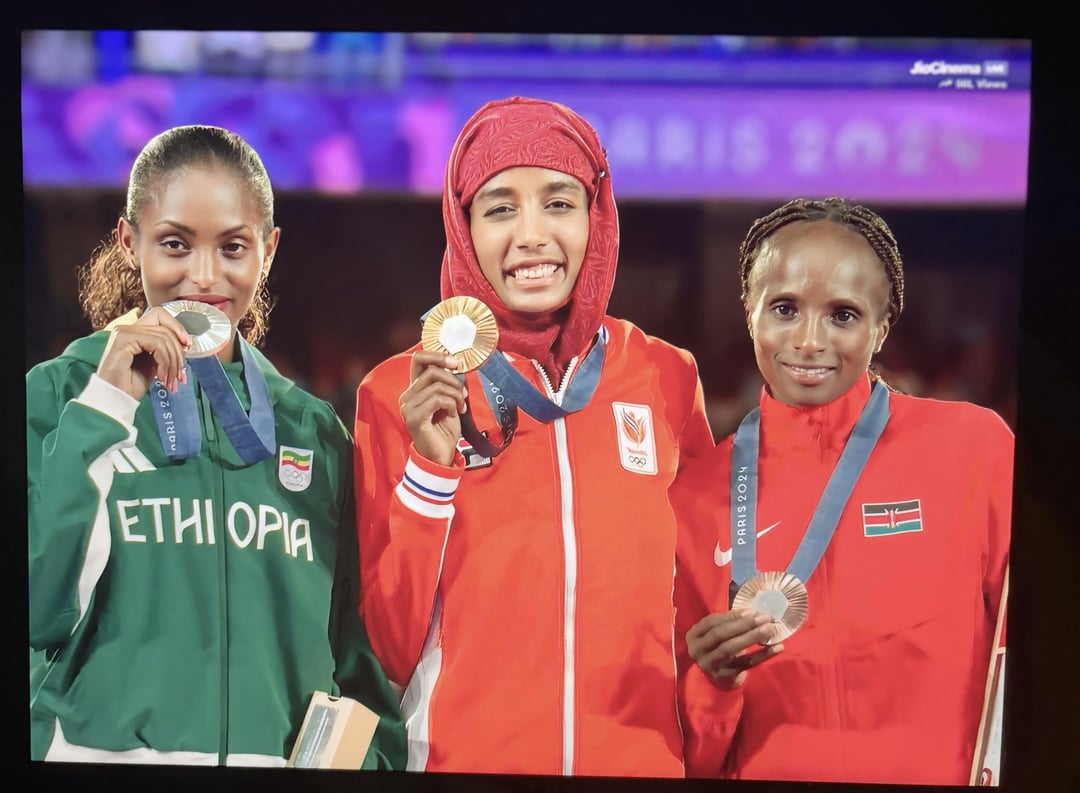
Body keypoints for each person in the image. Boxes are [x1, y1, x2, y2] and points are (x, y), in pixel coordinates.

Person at [352, 96, 717, 776]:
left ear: (596, 217)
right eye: (499, 208)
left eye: (558, 202)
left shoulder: (666, 377)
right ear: (462, 228)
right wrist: (429, 477)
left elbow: (698, 618)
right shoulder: (399, 392)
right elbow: (382, 655)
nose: (531, 235)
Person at [27, 124, 406, 768]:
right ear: (130, 242)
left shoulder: (312, 430)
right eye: (175, 244)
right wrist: (107, 406)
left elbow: (356, 655)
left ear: (269, 249)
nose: (205, 276)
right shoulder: (59, 397)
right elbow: (38, 609)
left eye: (233, 247)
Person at [675, 197, 1013, 784]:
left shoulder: (974, 449)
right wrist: (711, 684)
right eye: (784, 308)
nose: (809, 340)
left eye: (843, 315)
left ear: (881, 329)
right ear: (749, 313)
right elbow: (689, 760)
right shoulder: (695, 497)